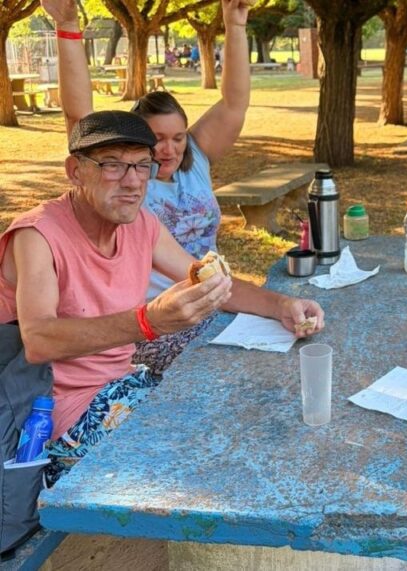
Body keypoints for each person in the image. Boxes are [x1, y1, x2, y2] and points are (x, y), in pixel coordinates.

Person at [0, 110, 324, 485]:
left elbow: (207, 280)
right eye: (112, 165)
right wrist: (147, 322)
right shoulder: (37, 235)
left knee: (243, 410)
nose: (133, 182)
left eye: (141, 166)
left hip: (125, 386)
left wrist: (282, 306)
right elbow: (39, 340)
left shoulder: (141, 224)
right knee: (210, 449)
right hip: (56, 423)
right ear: (75, 170)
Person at [43, 0, 253, 374]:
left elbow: (235, 104)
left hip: (211, 305)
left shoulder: (196, 158)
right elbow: (80, 120)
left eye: (177, 137)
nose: (168, 149)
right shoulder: (127, 181)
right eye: (156, 139)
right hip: (156, 321)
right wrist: (68, 26)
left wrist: (234, 25)